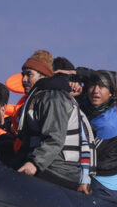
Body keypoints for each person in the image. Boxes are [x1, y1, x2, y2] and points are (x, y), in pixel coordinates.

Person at [15, 50, 93, 191]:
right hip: (48, 165)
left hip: (58, 170)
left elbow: (55, 138)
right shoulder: (38, 97)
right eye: (23, 75)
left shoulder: (53, 99)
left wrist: (34, 164)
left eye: (29, 74)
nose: (24, 79)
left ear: (43, 75)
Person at [79, 69, 117, 203]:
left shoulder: (108, 124)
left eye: (102, 87)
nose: (96, 91)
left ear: (111, 93)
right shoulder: (89, 106)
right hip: (95, 176)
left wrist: (84, 179)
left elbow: (89, 154)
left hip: (104, 187)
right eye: (92, 85)